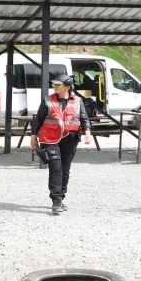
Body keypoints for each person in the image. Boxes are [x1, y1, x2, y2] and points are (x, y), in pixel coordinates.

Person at [30, 74, 93, 214]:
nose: (54, 87)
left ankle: (61, 196)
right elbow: (38, 120)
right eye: (54, 85)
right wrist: (33, 137)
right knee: (56, 168)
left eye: (58, 85)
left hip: (70, 140)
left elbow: (84, 119)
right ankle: (56, 199)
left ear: (67, 87)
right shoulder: (47, 100)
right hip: (49, 139)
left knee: (65, 169)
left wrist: (87, 133)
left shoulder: (78, 101)